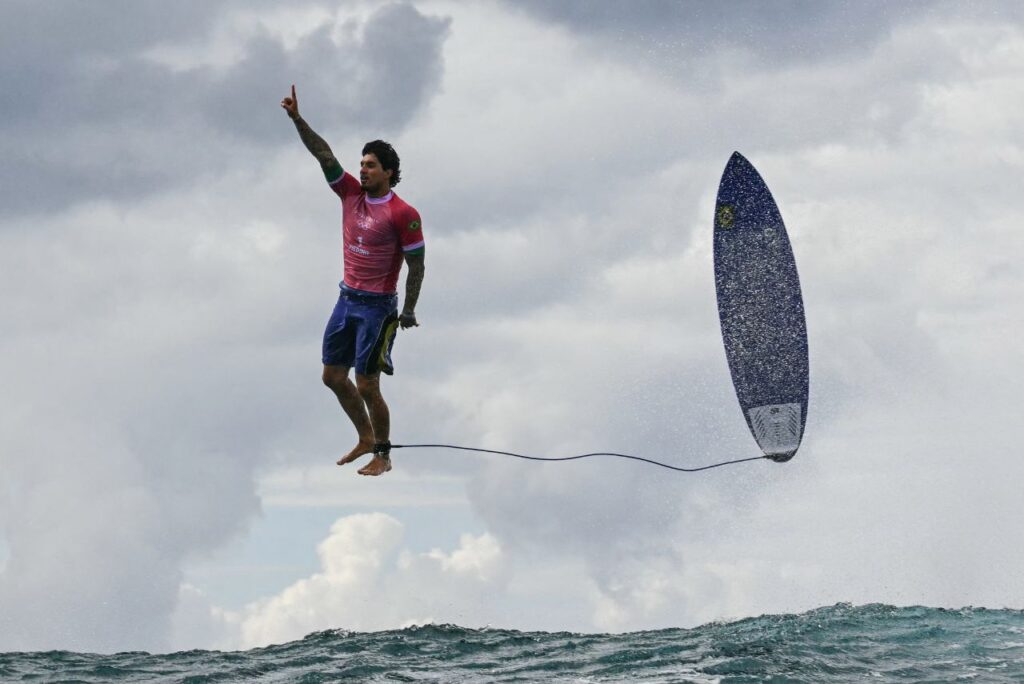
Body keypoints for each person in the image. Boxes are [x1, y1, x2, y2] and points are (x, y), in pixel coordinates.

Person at [281, 85, 425, 477]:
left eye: (371, 165)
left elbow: (417, 264)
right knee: (332, 376)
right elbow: (323, 154)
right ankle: (364, 436)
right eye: (361, 164)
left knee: (367, 384)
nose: (362, 170)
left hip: (378, 308)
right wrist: (297, 119)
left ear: (389, 173)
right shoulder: (349, 194)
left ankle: (383, 453)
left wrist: (409, 309)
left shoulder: (403, 213)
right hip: (347, 299)